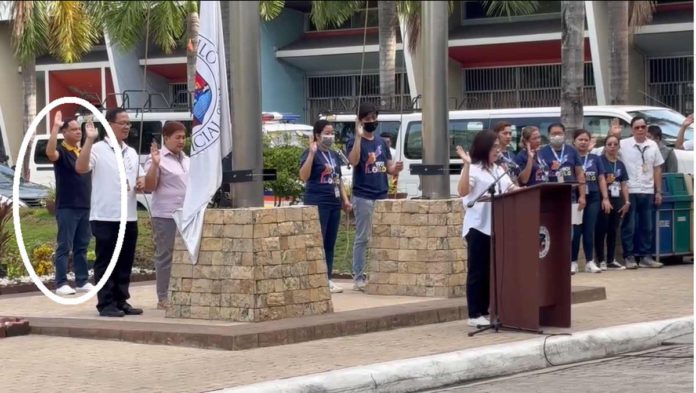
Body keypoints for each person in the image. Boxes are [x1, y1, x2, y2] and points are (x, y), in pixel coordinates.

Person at [75, 108, 145, 317]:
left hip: (129, 216)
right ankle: (106, 303)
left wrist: (142, 181)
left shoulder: (131, 152)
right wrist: (88, 140)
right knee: (106, 261)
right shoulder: (97, 149)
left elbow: (141, 180)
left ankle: (121, 300)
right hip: (105, 216)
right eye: (122, 122)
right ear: (109, 124)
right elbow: (81, 167)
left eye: (128, 123)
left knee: (125, 261)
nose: (126, 127)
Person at [457, 130, 518, 327]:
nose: (498, 151)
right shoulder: (474, 169)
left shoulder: (498, 169)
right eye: (494, 147)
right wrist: (466, 165)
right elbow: (463, 191)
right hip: (478, 227)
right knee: (478, 271)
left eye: (499, 148)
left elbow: (510, 189)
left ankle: (486, 310)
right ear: (484, 148)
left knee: (491, 271)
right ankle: (474, 314)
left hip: (496, 225)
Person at [347, 103, 404, 291]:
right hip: (363, 195)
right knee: (362, 237)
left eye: (374, 118)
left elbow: (386, 167)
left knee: (381, 235)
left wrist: (395, 169)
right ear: (360, 121)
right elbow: (353, 161)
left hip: (381, 193)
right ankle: (358, 275)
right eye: (368, 119)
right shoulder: (354, 141)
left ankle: (378, 273)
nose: (372, 122)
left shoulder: (381, 142)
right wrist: (357, 136)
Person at [300, 120, 352, 294]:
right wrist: (311, 154)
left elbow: (338, 180)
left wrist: (345, 200)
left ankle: (327, 277)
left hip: (333, 202)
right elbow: (304, 176)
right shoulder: (310, 153)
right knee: (318, 241)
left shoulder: (333, 155)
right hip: (317, 201)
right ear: (317, 135)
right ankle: (315, 276)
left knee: (330, 242)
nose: (330, 136)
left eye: (332, 133)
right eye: (327, 133)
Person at [45, 111, 93, 295]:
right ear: (64, 133)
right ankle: (61, 283)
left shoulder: (82, 152)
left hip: (85, 205)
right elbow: (50, 152)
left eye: (78, 129)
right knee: (65, 245)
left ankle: (81, 281)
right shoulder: (62, 151)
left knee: (82, 245)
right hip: (67, 206)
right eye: (72, 130)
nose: (77, 132)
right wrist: (55, 127)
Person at [143, 121, 190, 310]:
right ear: (166, 138)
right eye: (177, 137)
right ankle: (163, 297)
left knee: (186, 255)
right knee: (165, 255)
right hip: (165, 215)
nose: (181, 141)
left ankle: (183, 293)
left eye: (183, 137)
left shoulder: (187, 159)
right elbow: (149, 186)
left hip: (187, 215)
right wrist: (155, 165)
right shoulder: (156, 158)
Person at [536, 123, 587, 274]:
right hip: (548, 197)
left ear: (564, 134)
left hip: (569, 196)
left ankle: (568, 261)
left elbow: (579, 173)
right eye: (553, 133)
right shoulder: (542, 152)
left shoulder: (572, 151)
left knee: (569, 231)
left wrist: (582, 195)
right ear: (549, 135)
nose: (556, 136)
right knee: (549, 229)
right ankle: (550, 261)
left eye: (559, 133)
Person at [620, 116, 664, 269]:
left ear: (647, 128)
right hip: (630, 189)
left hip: (647, 189)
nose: (640, 130)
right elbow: (608, 152)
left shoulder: (652, 145)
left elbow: (657, 168)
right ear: (632, 129)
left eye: (643, 127)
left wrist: (658, 191)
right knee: (629, 225)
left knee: (647, 225)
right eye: (636, 127)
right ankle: (629, 256)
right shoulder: (623, 144)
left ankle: (646, 256)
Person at [571, 129, 610, 274]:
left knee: (589, 230)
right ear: (574, 141)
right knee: (576, 230)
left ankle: (589, 261)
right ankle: (573, 261)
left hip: (593, 197)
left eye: (586, 140)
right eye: (580, 139)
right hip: (576, 198)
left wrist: (605, 197)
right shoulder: (570, 157)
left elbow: (601, 178)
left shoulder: (595, 158)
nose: (583, 142)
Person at [594, 135, 630, 271]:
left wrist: (626, 201)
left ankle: (610, 259)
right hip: (604, 199)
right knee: (601, 229)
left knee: (613, 230)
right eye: (609, 144)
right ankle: (601, 259)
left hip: (617, 199)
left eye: (615, 144)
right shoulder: (600, 161)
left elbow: (624, 184)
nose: (612, 147)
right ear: (605, 146)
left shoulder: (620, 164)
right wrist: (605, 198)